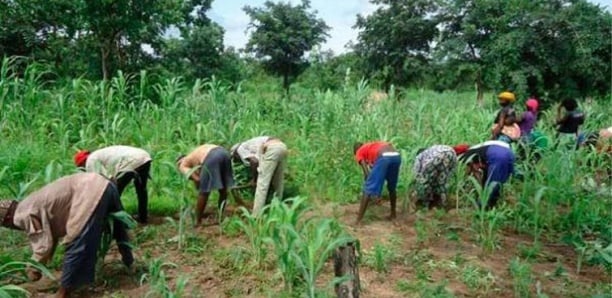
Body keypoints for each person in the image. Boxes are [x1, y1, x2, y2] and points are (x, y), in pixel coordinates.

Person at [0, 173, 133, 298]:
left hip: (89, 191)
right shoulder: (26, 203)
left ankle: (64, 293)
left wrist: (32, 267)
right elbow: (49, 236)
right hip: (103, 184)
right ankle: (130, 263)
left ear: (7, 220)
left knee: (76, 242)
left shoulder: (20, 216)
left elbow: (43, 245)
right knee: (118, 227)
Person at [74, 145, 152, 224]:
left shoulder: (90, 161)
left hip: (131, 161)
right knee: (141, 189)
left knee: (115, 193)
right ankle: (143, 217)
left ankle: (122, 220)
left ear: (82, 164)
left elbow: (105, 179)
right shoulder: (98, 155)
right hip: (144, 157)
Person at [177, 144, 235, 225]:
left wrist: (199, 185)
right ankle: (220, 214)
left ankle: (197, 220)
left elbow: (197, 179)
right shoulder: (194, 155)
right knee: (223, 189)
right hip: (224, 152)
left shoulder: (182, 164)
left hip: (211, 156)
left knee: (204, 191)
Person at [230, 136, 288, 216]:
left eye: (235, 157)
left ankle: (256, 216)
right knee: (278, 182)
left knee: (262, 186)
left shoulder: (240, 149)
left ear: (235, 153)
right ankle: (278, 209)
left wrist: (255, 180)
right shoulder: (251, 144)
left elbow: (254, 161)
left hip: (271, 148)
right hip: (282, 147)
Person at [353, 141, 402, 223]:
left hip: (384, 156)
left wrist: (370, 189)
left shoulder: (359, 151)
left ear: (355, 151)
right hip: (396, 156)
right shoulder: (371, 147)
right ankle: (393, 215)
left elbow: (367, 174)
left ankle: (358, 220)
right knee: (392, 187)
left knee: (368, 188)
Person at [458, 140, 515, 209]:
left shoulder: (467, 155)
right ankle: (492, 207)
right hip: (509, 153)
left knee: (492, 186)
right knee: (498, 183)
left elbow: (475, 172)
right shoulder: (480, 148)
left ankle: (479, 208)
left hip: (497, 155)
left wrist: (480, 188)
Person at [412, 144, 469, 209]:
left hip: (437, 159)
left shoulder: (419, 157)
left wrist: (416, 184)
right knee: (442, 181)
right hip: (450, 154)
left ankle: (424, 205)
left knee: (426, 182)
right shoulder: (433, 149)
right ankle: (442, 203)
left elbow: (417, 173)